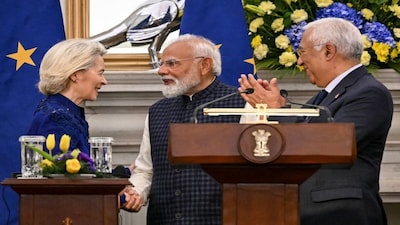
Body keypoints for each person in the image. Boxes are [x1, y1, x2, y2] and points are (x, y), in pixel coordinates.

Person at [239, 17, 393, 225]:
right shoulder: (323, 97)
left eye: (302, 52)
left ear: (328, 51)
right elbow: (297, 141)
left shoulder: (369, 92)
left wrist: (278, 111)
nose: (299, 61)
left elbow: (331, 144)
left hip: (343, 215)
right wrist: (278, 110)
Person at [120, 34, 246, 224]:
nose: (161, 71)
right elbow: (145, 170)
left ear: (204, 65)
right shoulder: (157, 111)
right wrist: (136, 192)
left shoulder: (242, 103)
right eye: (162, 64)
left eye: (172, 64)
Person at [27, 39, 107, 155]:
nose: (104, 81)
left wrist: (126, 171)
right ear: (75, 75)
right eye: (100, 73)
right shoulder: (55, 118)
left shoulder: (66, 113)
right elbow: (59, 170)